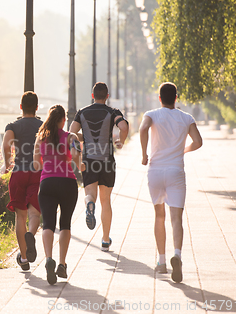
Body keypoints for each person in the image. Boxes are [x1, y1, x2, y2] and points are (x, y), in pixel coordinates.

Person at [139, 82, 203, 283]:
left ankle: (162, 261)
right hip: (176, 171)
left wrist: (144, 154)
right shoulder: (186, 118)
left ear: (159, 98)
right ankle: (178, 254)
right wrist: (184, 150)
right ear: (176, 98)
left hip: (156, 171)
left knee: (159, 216)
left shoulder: (152, 114)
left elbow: (142, 129)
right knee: (177, 218)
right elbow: (198, 142)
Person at [69, 82, 129, 251]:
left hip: (89, 160)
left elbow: (71, 135)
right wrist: (121, 141)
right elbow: (123, 126)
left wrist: (80, 147)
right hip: (107, 161)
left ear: (92, 95)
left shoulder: (82, 112)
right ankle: (104, 240)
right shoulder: (112, 112)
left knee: (90, 194)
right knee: (106, 200)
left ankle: (89, 204)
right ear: (107, 96)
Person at [33, 105, 82, 285]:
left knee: (47, 224)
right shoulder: (71, 137)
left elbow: (36, 165)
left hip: (47, 184)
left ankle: (48, 259)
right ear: (63, 120)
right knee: (65, 224)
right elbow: (76, 156)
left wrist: (47, 161)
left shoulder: (40, 138)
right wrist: (80, 164)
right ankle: (61, 263)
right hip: (68, 183)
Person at [2, 91, 43, 271]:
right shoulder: (43, 126)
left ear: (21, 107)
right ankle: (31, 236)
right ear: (36, 107)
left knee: (20, 215)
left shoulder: (13, 126)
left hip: (18, 171)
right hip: (37, 172)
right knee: (35, 213)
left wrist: (7, 163)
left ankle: (24, 258)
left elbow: (6, 145)